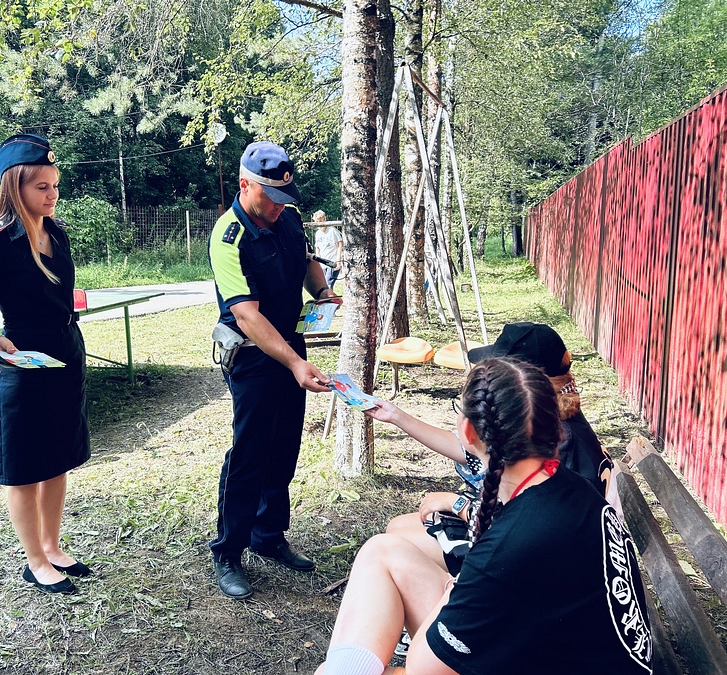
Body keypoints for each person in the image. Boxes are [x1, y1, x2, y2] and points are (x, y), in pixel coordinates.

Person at [316, 357, 652, 675]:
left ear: (469, 432)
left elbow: (422, 669)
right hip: (567, 653)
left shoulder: (508, 548)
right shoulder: (571, 489)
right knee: (382, 550)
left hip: (540, 654)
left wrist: (455, 590)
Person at [208, 141, 339, 600]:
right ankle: (228, 550)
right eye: (271, 198)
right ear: (246, 185)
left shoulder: (287, 218)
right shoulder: (229, 234)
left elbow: (305, 262)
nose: (280, 208)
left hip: (291, 348)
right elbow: (246, 313)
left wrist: (321, 293)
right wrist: (295, 363)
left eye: (286, 199)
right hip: (252, 354)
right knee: (250, 451)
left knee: (284, 446)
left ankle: (268, 535)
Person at [383, 321, 616, 575]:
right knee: (397, 529)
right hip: (532, 542)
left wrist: (459, 504)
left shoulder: (558, 440)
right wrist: (395, 416)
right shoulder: (554, 421)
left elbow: (531, 529)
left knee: (392, 549)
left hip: (544, 565)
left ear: (524, 381)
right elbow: (469, 448)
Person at [0, 134, 91, 595]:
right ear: (15, 186)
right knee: (23, 464)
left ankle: (53, 545)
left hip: (65, 350)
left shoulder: (55, 231)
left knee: (57, 456)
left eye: (55, 185)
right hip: (21, 361)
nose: (52, 194)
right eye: (41, 186)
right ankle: (34, 560)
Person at [313, 210, 343, 290]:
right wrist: (318, 262)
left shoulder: (332, 231)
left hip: (332, 261)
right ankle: (329, 301)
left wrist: (338, 261)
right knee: (323, 286)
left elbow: (339, 245)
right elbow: (318, 248)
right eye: (317, 221)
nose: (320, 224)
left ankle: (329, 301)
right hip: (323, 263)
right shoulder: (318, 233)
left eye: (321, 221)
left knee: (328, 285)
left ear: (324, 219)